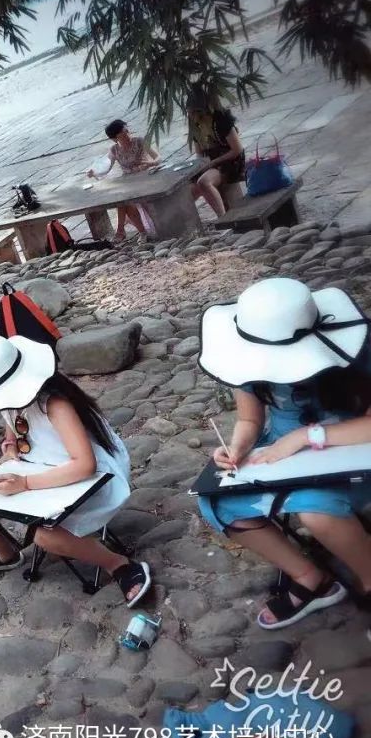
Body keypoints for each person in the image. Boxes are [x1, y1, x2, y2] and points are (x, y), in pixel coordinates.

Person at [197, 277, 371, 630]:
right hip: (281, 452)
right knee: (220, 502)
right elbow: (249, 419)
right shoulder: (246, 356)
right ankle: (310, 577)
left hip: (351, 447)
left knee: (317, 511)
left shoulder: (357, 350)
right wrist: (238, 446)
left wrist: (306, 436)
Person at [0, 335, 151, 603]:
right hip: (37, 467)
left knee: (44, 536)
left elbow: (85, 465)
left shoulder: (55, 405)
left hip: (91, 476)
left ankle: (117, 564)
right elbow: (11, 425)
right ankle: (6, 554)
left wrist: (25, 484)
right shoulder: (11, 401)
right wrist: (10, 447)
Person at [86, 119, 160, 241]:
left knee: (122, 202)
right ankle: (139, 232)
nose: (127, 135)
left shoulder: (139, 141)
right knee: (123, 202)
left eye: (127, 131)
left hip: (146, 179)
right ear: (115, 139)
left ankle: (122, 230)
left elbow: (158, 158)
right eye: (123, 134)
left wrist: (151, 163)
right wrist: (93, 172)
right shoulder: (114, 150)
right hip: (129, 183)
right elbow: (106, 167)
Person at [187, 89, 246, 216]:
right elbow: (199, 152)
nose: (190, 116)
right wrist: (200, 165)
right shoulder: (195, 125)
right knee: (188, 191)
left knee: (204, 182)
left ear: (202, 110)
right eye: (189, 112)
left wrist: (213, 162)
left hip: (229, 161)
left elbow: (237, 149)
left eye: (192, 112)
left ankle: (223, 218)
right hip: (211, 161)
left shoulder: (221, 120)